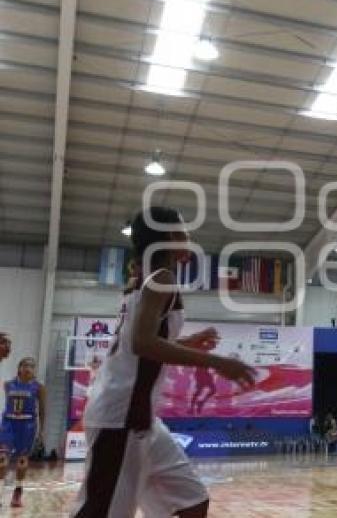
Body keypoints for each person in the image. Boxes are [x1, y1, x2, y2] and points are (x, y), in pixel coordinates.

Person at [72, 207, 257, 518]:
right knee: (99, 511)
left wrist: (186, 342)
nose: (188, 237)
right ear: (170, 236)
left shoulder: (144, 279)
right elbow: (142, 342)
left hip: (142, 416)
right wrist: (216, 362)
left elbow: (140, 343)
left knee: (192, 502)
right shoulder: (162, 278)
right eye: (184, 231)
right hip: (122, 414)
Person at [0, 358, 44, 508]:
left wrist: (41, 431)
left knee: (21, 461)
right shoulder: (7, 384)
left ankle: (17, 491)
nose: (28, 368)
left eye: (32, 366)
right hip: (8, 424)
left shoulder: (39, 388)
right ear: (19, 368)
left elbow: (43, 411)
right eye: (25, 365)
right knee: (2, 458)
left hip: (27, 426)